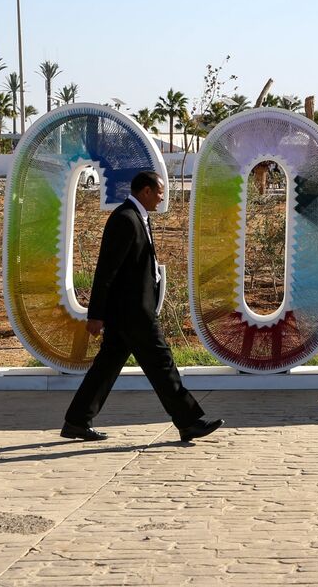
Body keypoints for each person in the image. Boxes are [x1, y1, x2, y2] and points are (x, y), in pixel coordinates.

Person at [62, 171, 222, 443]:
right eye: (159, 192)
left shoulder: (137, 218)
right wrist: (96, 314)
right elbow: (106, 271)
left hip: (132, 312)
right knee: (162, 363)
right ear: (145, 191)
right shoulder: (125, 220)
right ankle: (189, 421)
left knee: (106, 367)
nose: (162, 198)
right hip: (133, 312)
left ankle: (77, 421)